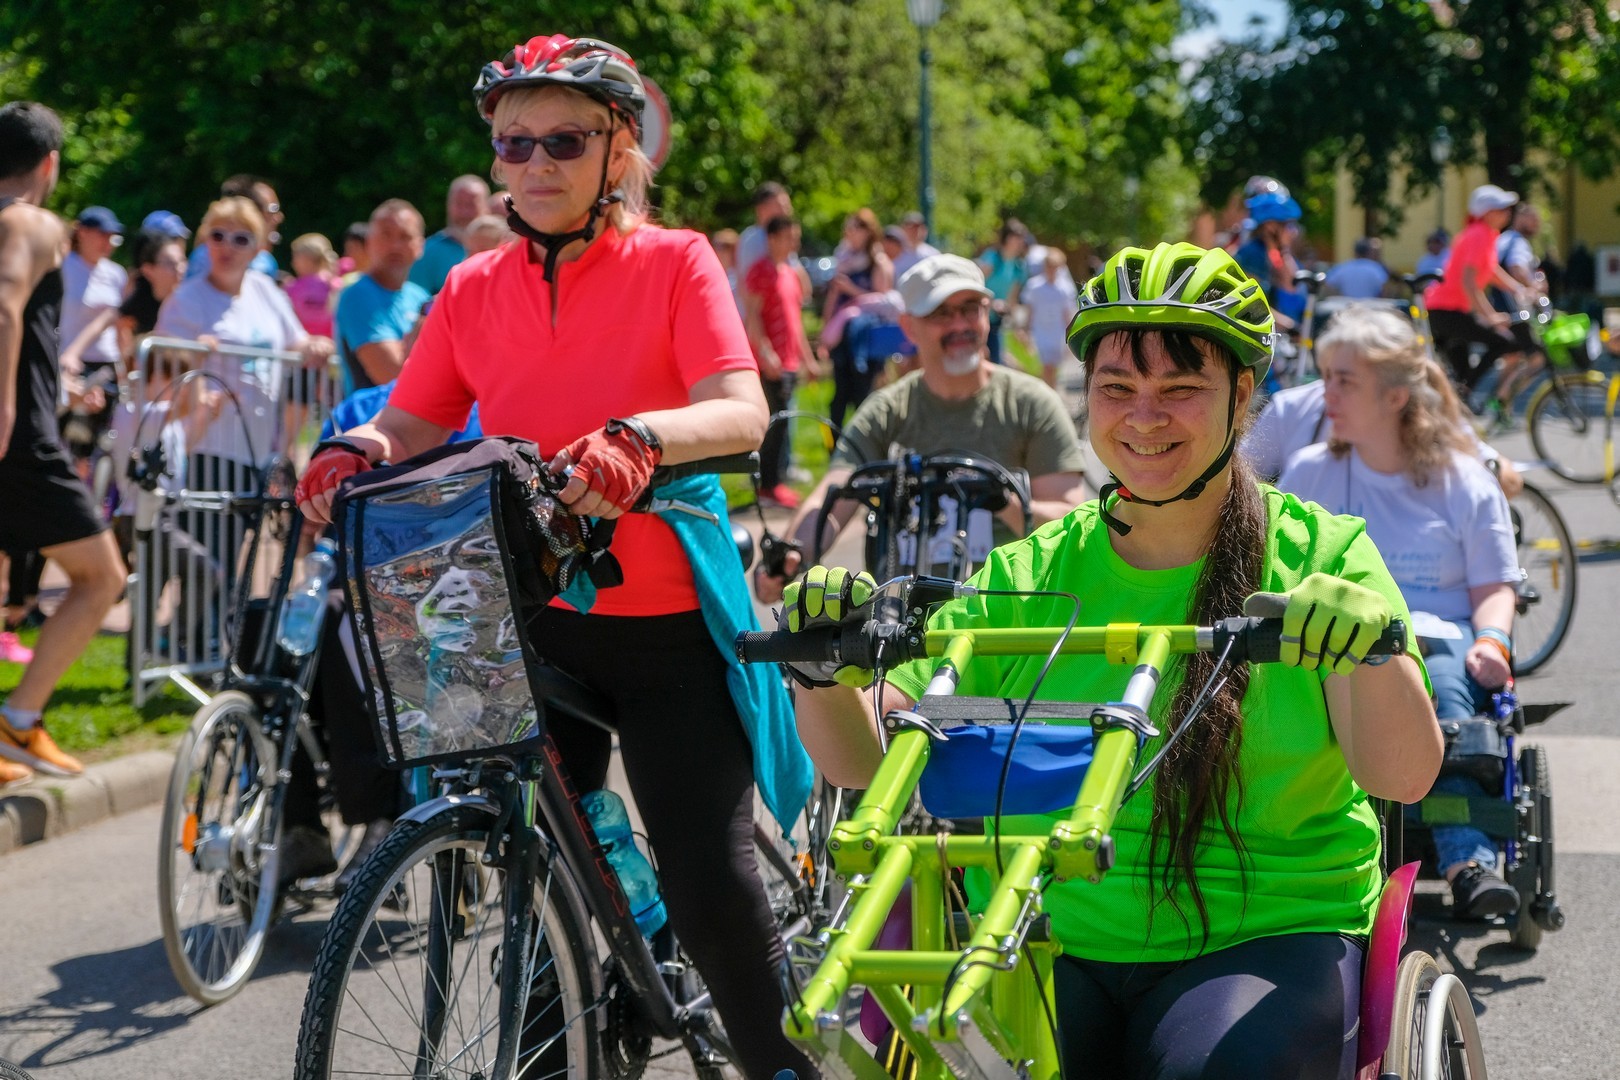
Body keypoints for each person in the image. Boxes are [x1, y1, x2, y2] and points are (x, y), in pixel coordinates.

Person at [783, 242, 1440, 1078]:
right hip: (1044, 931)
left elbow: (1404, 775)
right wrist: (823, 670)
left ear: (1243, 396)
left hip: (1272, 928)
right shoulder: (1030, 574)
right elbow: (868, 757)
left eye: (1181, 388)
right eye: (1117, 388)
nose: (1144, 417)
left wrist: (1368, 656)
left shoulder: (1323, 557)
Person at [292, 34, 814, 1080]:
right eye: (513, 143)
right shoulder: (474, 284)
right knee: (531, 885)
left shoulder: (677, 261)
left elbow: (741, 408)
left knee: (711, 889)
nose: (533, 164)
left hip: (667, 624)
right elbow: (414, 418)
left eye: (563, 142)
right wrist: (359, 448)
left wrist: (642, 438)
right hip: (530, 618)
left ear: (619, 148)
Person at [1276, 304, 1520, 919]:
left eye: (1344, 380)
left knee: (1442, 693)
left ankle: (1468, 863)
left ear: (1394, 396)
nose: (1325, 394)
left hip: (1438, 639)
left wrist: (1492, 640)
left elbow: (1495, 584)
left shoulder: (1462, 479)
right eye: (1325, 377)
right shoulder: (1309, 472)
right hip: (1334, 641)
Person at [754, 253, 1086, 602]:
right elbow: (834, 495)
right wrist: (792, 554)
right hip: (902, 618)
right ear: (909, 326)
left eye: (970, 309)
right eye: (941, 313)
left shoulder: (1031, 404)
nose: (960, 324)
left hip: (1005, 613)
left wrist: (1004, 501)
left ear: (987, 314)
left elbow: (1069, 525)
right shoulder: (888, 410)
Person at [0, 102, 128, 785]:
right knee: (102, 578)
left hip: (25, 425)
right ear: (49, 163)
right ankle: (18, 721)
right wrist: (6, 407)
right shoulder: (30, 220)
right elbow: (3, 306)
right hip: (19, 439)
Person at [1424, 184, 1535, 413]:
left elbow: (1491, 271)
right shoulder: (1479, 235)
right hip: (1447, 311)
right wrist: (1490, 316)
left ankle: (1459, 401)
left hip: (1446, 310)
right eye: (1501, 209)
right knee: (1504, 343)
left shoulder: (1484, 234)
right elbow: (1469, 282)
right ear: (1487, 213)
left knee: (1462, 374)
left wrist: (1518, 289)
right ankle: (1464, 394)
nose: (1507, 213)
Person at [743, 215, 817, 509]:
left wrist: (808, 360)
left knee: (784, 424)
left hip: (789, 363)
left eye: (795, 237)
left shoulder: (790, 272)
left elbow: (795, 323)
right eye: (788, 237)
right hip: (769, 363)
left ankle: (775, 483)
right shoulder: (760, 272)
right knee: (772, 426)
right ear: (772, 239)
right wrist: (765, 353)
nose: (793, 243)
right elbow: (753, 317)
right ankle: (766, 486)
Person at [58, 205, 129, 475]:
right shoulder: (63, 267)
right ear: (82, 233)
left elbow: (120, 325)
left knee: (95, 443)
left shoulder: (116, 274)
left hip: (105, 364)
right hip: (71, 364)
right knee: (66, 435)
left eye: (113, 237)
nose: (108, 243)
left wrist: (124, 366)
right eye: (102, 235)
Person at [332, 199, 429, 393]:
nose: (395, 245)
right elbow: (390, 373)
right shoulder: (358, 295)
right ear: (368, 242)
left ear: (420, 246)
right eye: (386, 235)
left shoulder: (420, 296)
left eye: (405, 236)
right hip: (375, 411)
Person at [1233, 189, 1306, 330]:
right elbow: (1251, 302)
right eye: (1288, 225)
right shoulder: (1252, 255)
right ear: (1270, 226)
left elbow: (1292, 286)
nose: (1293, 231)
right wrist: (1289, 325)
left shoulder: (1275, 253)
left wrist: (1284, 249)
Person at [408, 174, 491, 295]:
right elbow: (416, 301)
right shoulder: (427, 253)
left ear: (486, 208)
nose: (464, 212)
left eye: (471, 205)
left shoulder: (500, 250)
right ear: (448, 206)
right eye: (459, 204)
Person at [187, 174, 282, 280]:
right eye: (273, 209)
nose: (279, 217)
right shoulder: (263, 265)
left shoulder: (266, 261)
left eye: (241, 240)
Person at [1021, 247, 1080, 388]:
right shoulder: (1034, 286)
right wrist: (1025, 330)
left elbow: (1067, 313)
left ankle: (1051, 391)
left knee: (1053, 369)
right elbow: (1030, 310)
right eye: (1049, 266)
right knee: (1044, 367)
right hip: (1039, 331)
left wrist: (1070, 334)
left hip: (1056, 332)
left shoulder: (1065, 288)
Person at [976, 221, 1029, 365]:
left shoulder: (1018, 267)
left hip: (995, 322)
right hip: (977, 317)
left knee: (995, 362)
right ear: (1007, 238)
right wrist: (991, 303)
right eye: (1017, 237)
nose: (1021, 242)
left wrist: (1018, 328)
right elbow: (975, 285)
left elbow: (1012, 299)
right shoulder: (992, 258)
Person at [286, 232, 339, 338]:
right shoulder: (338, 284)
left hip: (304, 345)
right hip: (334, 344)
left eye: (296, 257)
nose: (293, 262)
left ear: (308, 259)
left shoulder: (293, 288)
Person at [1323, 236, 1390, 299]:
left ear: (1354, 251)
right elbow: (1385, 287)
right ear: (1368, 252)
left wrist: (1338, 297)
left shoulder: (1342, 267)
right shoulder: (1375, 268)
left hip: (1347, 305)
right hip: (1369, 305)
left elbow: (1328, 285)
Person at [894, 209, 940, 278]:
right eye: (910, 228)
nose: (915, 232)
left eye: (917, 228)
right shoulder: (895, 253)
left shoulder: (933, 255)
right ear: (903, 229)